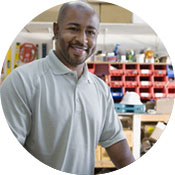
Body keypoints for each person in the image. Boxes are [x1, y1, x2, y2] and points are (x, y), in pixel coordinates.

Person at [0, 1, 135, 174]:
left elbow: (116, 143)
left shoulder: (100, 90)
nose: (82, 39)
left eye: (90, 32)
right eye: (73, 29)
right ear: (56, 30)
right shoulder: (22, 82)